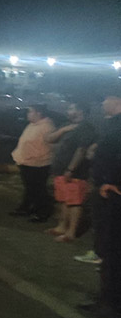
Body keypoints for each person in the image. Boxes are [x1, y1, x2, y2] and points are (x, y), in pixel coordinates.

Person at [78, 94, 121, 318]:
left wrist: (111, 182)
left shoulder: (116, 126)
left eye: (107, 99)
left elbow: (109, 155)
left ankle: (110, 302)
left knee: (112, 250)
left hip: (113, 197)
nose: (102, 103)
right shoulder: (113, 125)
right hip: (110, 191)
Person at [45, 102, 96, 242]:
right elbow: (48, 138)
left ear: (80, 111)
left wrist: (71, 169)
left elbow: (81, 150)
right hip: (61, 170)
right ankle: (62, 227)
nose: (67, 111)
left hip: (75, 173)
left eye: (71, 108)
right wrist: (63, 130)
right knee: (63, 200)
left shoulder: (86, 128)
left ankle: (71, 232)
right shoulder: (67, 125)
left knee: (74, 202)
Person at [10, 104, 55, 222]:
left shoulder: (46, 127)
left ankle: (42, 212)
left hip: (38, 164)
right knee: (30, 188)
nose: (27, 114)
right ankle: (26, 208)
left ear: (38, 113)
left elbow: (49, 146)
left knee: (38, 189)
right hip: (27, 162)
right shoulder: (32, 125)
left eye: (30, 112)